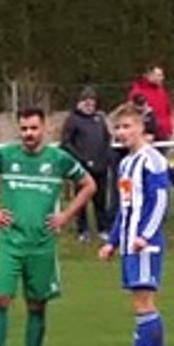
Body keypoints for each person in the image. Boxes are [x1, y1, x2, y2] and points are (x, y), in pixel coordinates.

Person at [0, 107, 97, 346]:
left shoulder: (59, 159)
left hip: (42, 244)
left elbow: (89, 185)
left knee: (37, 304)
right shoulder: (4, 156)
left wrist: (65, 215)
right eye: (24, 129)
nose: (28, 134)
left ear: (45, 129)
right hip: (10, 242)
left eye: (33, 128)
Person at [97, 104, 170, 346]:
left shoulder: (152, 160)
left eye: (127, 127)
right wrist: (113, 241)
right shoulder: (126, 163)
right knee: (145, 302)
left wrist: (145, 236)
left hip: (144, 245)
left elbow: (160, 201)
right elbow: (125, 208)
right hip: (129, 243)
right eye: (118, 128)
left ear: (141, 128)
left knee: (142, 303)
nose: (121, 133)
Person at [60, 87, 113, 242]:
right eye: (86, 103)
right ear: (80, 103)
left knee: (101, 200)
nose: (90, 107)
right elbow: (66, 143)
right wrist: (82, 159)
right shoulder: (73, 119)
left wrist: (105, 158)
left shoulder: (99, 119)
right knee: (81, 201)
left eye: (92, 103)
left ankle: (103, 228)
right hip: (82, 168)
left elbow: (106, 139)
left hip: (101, 166)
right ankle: (83, 230)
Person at [126, 63, 174, 141]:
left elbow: (168, 111)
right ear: (149, 75)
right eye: (158, 75)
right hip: (147, 136)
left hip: (164, 133)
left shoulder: (162, 92)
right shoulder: (138, 92)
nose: (162, 78)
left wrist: (169, 128)